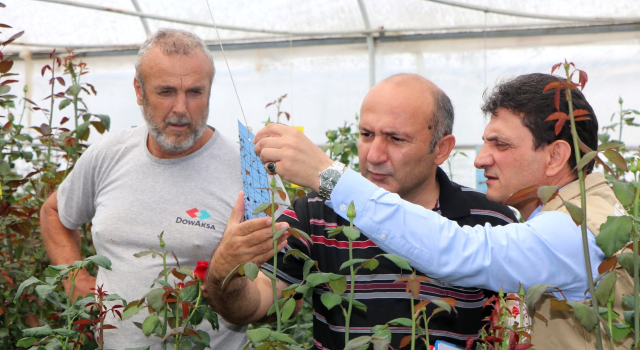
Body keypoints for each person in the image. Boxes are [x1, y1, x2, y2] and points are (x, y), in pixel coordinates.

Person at [253, 73, 632, 349]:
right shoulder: (587, 212)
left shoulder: (578, 231)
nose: (482, 159)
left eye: (500, 144)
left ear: (555, 157)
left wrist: (329, 176)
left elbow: (458, 251)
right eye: (366, 134)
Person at [206, 74, 517, 349]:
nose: (375, 155)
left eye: (396, 139)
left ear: (441, 149)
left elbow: (513, 328)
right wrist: (226, 271)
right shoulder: (315, 213)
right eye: (367, 135)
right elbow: (257, 303)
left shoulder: (490, 220)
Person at [40, 28, 283, 349]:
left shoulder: (251, 171)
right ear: (139, 91)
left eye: (195, 92)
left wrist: (232, 280)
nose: (181, 108)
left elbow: (283, 286)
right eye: (166, 91)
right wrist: (74, 280)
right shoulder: (109, 154)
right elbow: (54, 211)